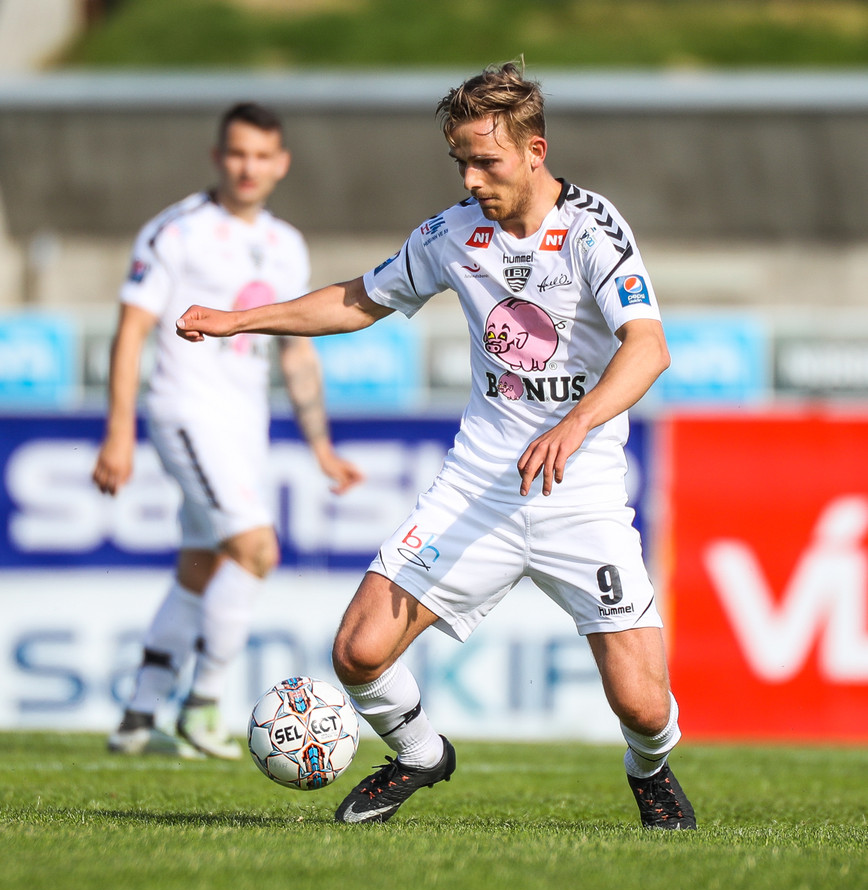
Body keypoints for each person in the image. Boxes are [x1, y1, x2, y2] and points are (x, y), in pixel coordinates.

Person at [176, 63, 696, 829]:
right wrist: (238, 320)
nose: (471, 179)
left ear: (535, 151)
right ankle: (421, 754)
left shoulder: (592, 229)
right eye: (460, 162)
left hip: (579, 493)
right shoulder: (453, 234)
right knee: (358, 651)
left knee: (643, 706)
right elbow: (359, 300)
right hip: (479, 485)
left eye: (486, 161)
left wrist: (575, 424)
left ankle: (648, 770)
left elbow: (648, 348)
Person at [94, 102, 363, 760]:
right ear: (218, 156)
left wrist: (322, 446)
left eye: (262, 156)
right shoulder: (177, 231)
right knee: (256, 549)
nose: (249, 167)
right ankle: (203, 707)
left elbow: (295, 350)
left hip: (243, 424)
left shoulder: (286, 244)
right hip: (186, 410)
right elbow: (131, 332)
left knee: (203, 563)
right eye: (237, 153)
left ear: (281, 163)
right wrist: (118, 432)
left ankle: (137, 718)